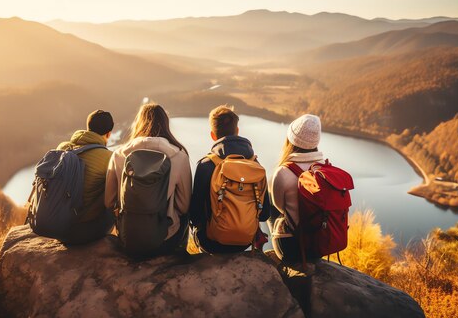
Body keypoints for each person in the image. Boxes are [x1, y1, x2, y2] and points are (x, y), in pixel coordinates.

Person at [105, 103, 192, 255]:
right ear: (165, 124)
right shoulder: (179, 156)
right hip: (166, 239)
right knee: (185, 216)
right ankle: (179, 256)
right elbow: (184, 206)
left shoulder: (118, 154)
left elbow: (108, 201)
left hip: (128, 237)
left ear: (138, 123)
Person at [189, 105, 271, 254]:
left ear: (213, 135)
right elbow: (265, 214)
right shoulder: (255, 165)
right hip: (245, 241)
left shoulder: (206, 165)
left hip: (211, 243)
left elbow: (195, 215)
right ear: (237, 131)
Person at [269, 114, 324, 262]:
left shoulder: (283, 172)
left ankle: (260, 246)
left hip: (292, 250)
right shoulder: (325, 169)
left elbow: (279, 207)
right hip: (320, 246)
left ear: (291, 140)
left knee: (269, 201)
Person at [56, 109, 116, 244]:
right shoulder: (109, 157)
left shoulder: (63, 148)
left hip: (57, 228)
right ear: (108, 133)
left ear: (88, 128)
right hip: (85, 233)